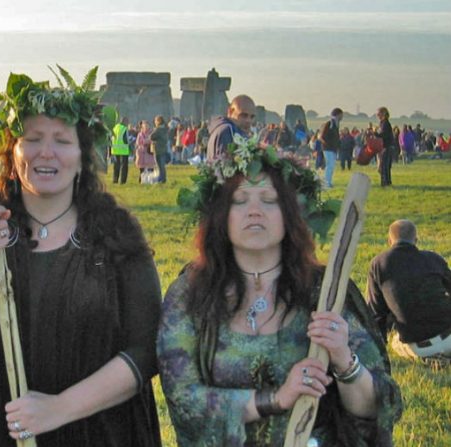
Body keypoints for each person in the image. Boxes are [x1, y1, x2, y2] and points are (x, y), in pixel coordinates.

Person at [0, 68, 162, 446]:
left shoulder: (115, 233)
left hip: (97, 433)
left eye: (63, 141)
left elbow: (146, 349)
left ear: (83, 156)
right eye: (32, 139)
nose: (46, 152)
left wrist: (58, 409)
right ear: (12, 152)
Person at [159, 138, 402, 446]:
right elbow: (184, 400)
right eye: (240, 200)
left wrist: (344, 360)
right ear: (221, 215)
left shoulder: (324, 290)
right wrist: (276, 398)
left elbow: (378, 408)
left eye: (270, 200)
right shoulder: (190, 294)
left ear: (290, 215)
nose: (255, 211)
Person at [366, 219, 451, 361]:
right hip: (449, 334)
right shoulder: (434, 259)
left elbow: (376, 313)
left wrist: (377, 351)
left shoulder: (379, 264)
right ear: (416, 240)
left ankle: (431, 357)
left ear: (389, 241)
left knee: (395, 341)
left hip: (421, 347)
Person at [206, 94, 256, 160]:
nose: (248, 121)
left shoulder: (226, 129)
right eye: (243, 115)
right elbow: (223, 166)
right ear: (230, 111)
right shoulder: (228, 131)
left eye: (252, 117)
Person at [318, 107, 342, 188]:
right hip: (328, 148)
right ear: (338, 115)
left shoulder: (336, 124)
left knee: (331, 166)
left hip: (332, 148)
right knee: (329, 165)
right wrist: (326, 144)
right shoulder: (329, 123)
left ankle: (329, 181)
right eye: (341, 115)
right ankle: (326, 183)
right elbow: (321, 136)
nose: (342, 117)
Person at [375, 107, 395, 187]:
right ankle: (388, 182)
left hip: (386, 147)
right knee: (385, 166)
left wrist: (375, 134)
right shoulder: (382, 123)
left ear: (383, 114)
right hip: (386, 147)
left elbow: (384, 135)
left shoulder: (385, 123)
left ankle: (385, 183)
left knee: (384, 166)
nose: (377, 115)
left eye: (378, 113)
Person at [111, 116, 130, 184]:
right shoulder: (124, 128)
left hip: (115, 149)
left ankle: (115, 179)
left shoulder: (115, 127)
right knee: (124, 166)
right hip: (123, 150)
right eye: (127, 122)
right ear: (125, 122)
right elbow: (126, 140)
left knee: (116, 165)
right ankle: (123, 181)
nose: (128, 123)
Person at [150, 115, 169, 183]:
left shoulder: (158, 129)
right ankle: (163, 178)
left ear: (159, 121)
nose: (155, 122)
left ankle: (161, 179)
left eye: (155, 120)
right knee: (162, 166)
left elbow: (151, 136)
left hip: (158, 149)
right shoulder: (165, 129)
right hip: (163, 149)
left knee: (160, 166)